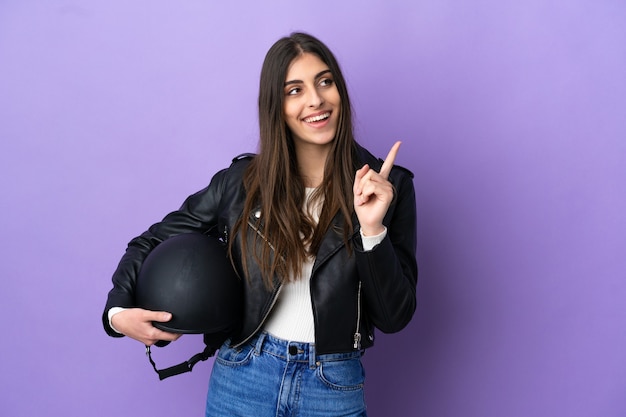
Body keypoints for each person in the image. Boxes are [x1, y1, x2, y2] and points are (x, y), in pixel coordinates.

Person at [102, 32, 417, 417]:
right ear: (276, 106)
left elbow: (394, 316)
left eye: (325, 81)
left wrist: (372, 230)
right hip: (243, 373)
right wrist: (117, 314)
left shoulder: (389, 186)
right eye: (294, 90)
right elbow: (151, 240)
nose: (316, 100)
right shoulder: (239, 184)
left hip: (333, 383)